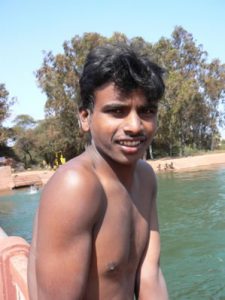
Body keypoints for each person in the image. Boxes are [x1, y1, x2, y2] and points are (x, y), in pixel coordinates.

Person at [28, 43, 169, 300]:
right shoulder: (76, 186)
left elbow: (150, 274)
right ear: (85, 117)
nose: (135, 126)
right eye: (117, 111)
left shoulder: (146, 178)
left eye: (147, 111)